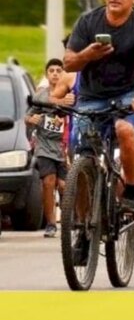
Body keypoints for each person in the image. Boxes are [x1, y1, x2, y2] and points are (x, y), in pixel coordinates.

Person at [62, 0, 134, 214]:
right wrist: (88, 54)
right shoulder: (87, 22)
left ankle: (131, 190)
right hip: (91, 97)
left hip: (128, 94)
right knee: (81, 164)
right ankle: (82, 228)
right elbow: (69, 62)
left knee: (125, 129)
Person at [26, 59, 74, 237]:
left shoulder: (69, 95)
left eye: (58, 70)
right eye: (51, 71)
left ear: (64, 74)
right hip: (44, 146)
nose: (55, 74)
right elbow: (28, 116)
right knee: (48, 182)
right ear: (47, 75)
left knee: (64, 186)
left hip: (63, 147)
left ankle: (69, 219)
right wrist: (32, 120)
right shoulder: (41, 97)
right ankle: (51, 223)